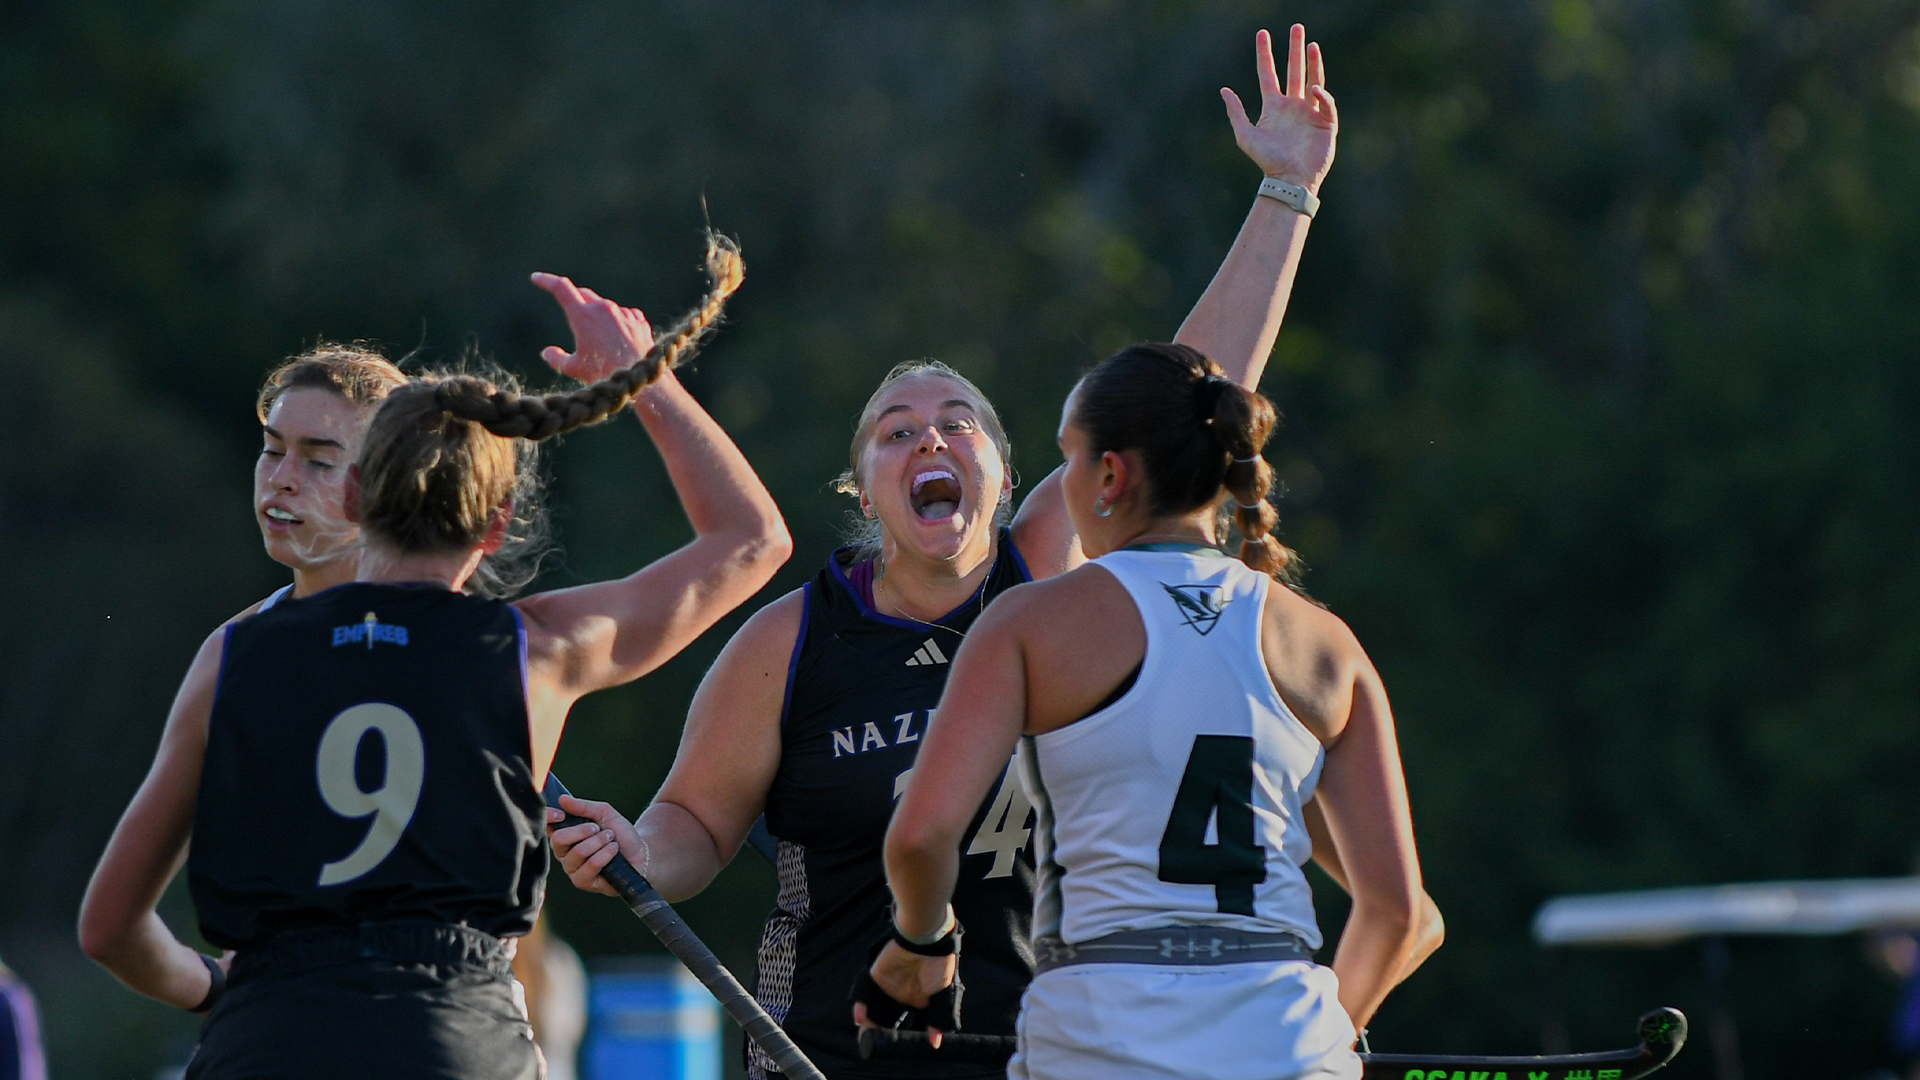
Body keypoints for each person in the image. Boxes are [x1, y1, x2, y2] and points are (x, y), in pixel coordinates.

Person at [551, 26, 1433, 1080]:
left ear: (1018, 483)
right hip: (837, 1054)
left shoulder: (1049, 585)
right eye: (897, 429)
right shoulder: (790, 642)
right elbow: (694, 823)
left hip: (1056, 1060)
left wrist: (1286, 195)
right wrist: (639, 851)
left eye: (959, 421)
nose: (930, 437)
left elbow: (1193, 390)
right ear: (865, 492)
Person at [77, 237, 792, 1079]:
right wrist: (646, 378)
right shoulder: (539, 651)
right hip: (457, 1042)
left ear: (350, 495)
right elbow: (753, 539)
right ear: (497, 525)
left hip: (264, 1041)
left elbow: (109, 927)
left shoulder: (235, 658)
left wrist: (210, 990)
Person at [867, 342, 1426, 1080]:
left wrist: (921, 947)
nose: (1064, 482)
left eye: (1069, 460)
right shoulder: (1327, 644)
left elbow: (920, 839)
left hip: (1101, 1039)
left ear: (1110, 476)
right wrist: (1325, 1035)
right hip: (1290, 1044)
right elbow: (1402, 915)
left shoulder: (1028, 625)